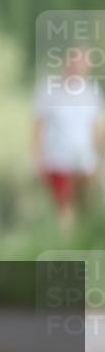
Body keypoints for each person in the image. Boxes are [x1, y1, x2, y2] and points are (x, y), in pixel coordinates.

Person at [33, 46, 104, 230]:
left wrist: (99, 158)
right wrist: (37, 159)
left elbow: (94, 128)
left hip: (85, 161)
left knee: (86, 209)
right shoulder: (49, 89)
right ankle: (68, 249)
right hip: (58, 160)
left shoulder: (92, 92)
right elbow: (38, 126)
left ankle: (85, 247)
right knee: (65, 210)